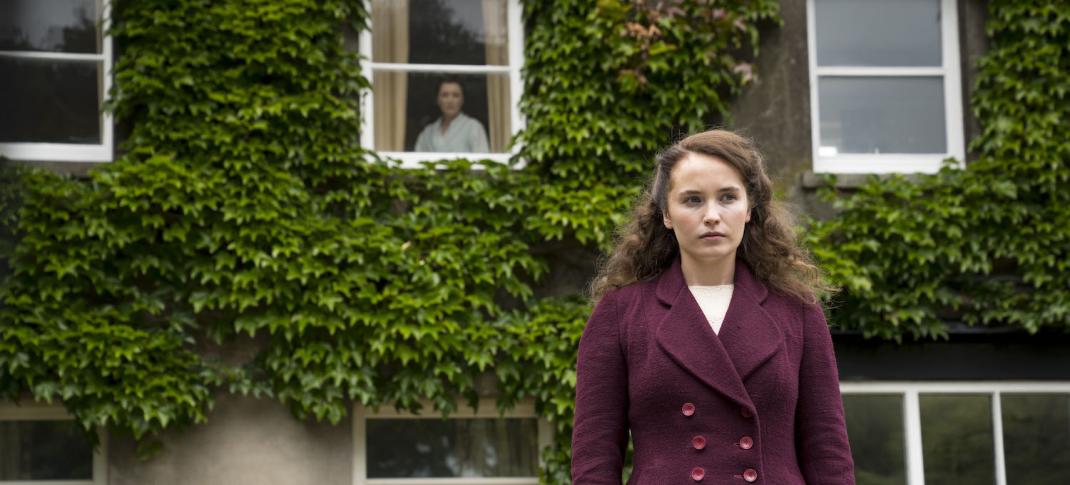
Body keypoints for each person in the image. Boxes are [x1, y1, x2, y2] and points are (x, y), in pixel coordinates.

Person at [572, 130, 855, 484]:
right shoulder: (621, 313)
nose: (711, 215)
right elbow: (594, 460)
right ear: (666, 215)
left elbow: (828, 453)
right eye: (692, 200)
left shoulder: (797, 311)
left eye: (727, 198)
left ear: (749, 209)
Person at [413, 78, 490, 153]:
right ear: (437, 100)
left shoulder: (474, 127)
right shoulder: (427, 132)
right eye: (445, 95)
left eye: (456, 95)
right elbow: (417, 161)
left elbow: (482, 162)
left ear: (462, 100)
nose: (450, 100)